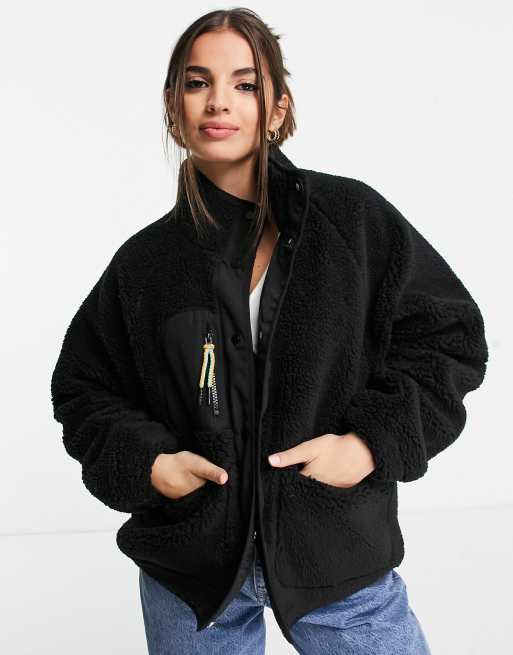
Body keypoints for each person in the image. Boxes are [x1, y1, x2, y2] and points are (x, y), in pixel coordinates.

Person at [50, 8, 488, 654]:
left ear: (278, 107)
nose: (218, 102)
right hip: (190, 576)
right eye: (196, 82)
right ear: (172, 106)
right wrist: (152, 464)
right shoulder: (144, 264)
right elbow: (84, 388)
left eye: (245, 84)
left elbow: (448, 337)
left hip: (336, 556)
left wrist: (369, 444)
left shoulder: (351, 221)